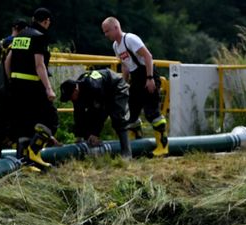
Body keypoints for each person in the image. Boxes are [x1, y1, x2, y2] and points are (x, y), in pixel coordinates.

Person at [100, 16, 168, 157]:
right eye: (104, 32)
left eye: (107, 31)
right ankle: (138, 145)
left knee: (152, 113)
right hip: (135, 78)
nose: (106, 35)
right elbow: (125, 66)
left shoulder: (130, 39)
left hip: (147, 74)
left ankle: (163, 147)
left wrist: (150, 78)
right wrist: (123, 84)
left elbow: (148, 56)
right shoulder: (115, 46)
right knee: (130, 113)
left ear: (116, 28)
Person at [4, 7, 57, 168]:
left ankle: (23, 162)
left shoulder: (20, 36)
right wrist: (48, 88)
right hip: (33, 86)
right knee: (51, 120)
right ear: (46, 21)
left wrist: (11, 81)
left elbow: (8, 61)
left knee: (24, 125)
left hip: (16, 86)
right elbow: (39, 65)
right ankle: (34, 152)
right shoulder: (39, 37)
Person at [59, 68, 132, 158]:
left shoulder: (92, 86)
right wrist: (79, 136)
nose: (70, 100)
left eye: (70, 97)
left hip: (116, 86)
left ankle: (127, 153)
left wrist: (95, 133)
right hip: (104, 92)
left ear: (75, 91)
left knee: (118, 118)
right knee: (89, 116)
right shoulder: (77, 92)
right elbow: (79, 114)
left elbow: (103, 110)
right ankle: (89, 148)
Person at [0, 19, 27, 159]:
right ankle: (17, 158)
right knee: (18, 125)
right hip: (15, 91)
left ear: (13, 28)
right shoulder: (23, 45)